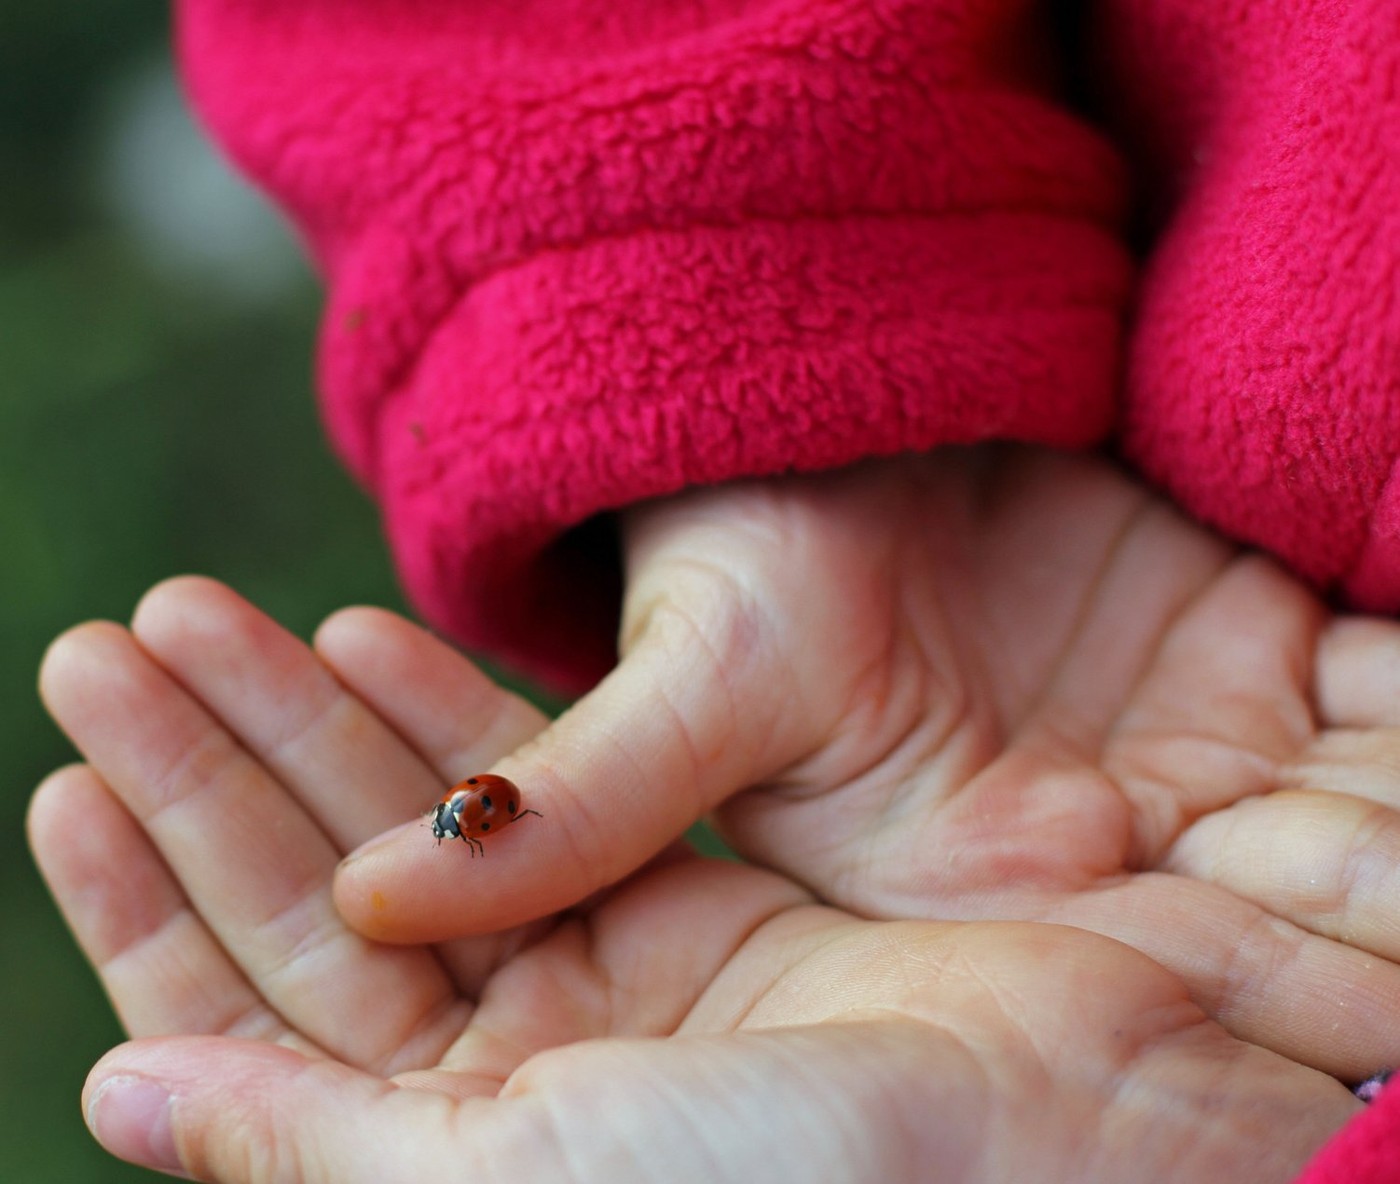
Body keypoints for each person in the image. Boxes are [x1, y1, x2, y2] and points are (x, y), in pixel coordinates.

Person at [31, 0, 1400, 1178]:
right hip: (1112, 511)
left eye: (466, 817)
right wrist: (718, 284)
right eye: (469, 821)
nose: (471, 817)